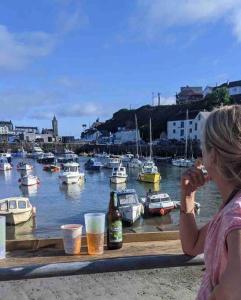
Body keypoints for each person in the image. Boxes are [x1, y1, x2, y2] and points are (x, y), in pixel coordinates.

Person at [179, 105, 241, 300]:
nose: (200, 157)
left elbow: (235, 289)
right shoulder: (229, 210)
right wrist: (188, 195)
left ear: (213, 156)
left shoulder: (236, 213)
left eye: (203, 148)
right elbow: (192, 245)